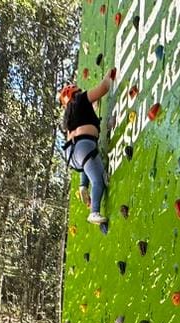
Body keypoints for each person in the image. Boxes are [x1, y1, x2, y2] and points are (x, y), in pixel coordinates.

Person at [59, 69, 115, 225]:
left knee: (87, 163)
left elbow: (89, 112)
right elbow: (103, 88)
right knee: (99, 180)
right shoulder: (81, 99)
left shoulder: (69, 120)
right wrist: (108, 75)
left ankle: (83, 185)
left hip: (72, 154)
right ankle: (94, 212)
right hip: (85, 146)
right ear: (76, 93)